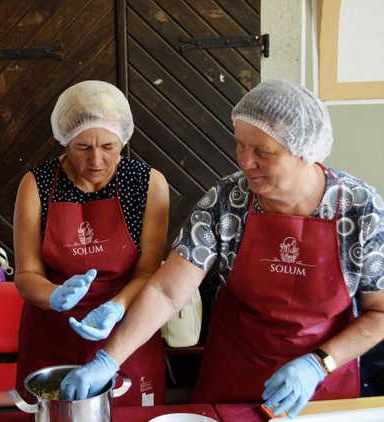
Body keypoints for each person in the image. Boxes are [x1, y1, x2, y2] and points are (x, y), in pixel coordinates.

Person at [60, 80, 384, 418]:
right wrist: (106, 360)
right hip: (234, 380)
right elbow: (167, 291)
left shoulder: (360, 209)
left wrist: (318, 364)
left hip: (320, 391)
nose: (245, 161)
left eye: (262, 151)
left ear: (304, 150)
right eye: (240, 145)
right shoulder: (228, 200)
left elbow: (380, 313)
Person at [13, 80, 170, 406]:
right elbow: (26, 274)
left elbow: (148, 272)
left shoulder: (148, 184)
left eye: (109, 147)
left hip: (125, 333)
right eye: (83, 147)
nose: (96, 160)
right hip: (52, 333)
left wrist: (116, 308)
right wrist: (54, 295)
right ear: (65, 140)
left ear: (123, 139)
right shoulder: (36, 185)